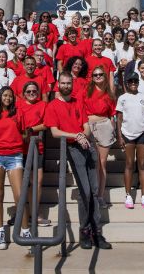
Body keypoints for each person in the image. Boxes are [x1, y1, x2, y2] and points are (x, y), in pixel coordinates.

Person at [45, 71, 112, 250]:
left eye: (69, 83)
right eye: (63, 83)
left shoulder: (78, 102)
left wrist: (83, 135)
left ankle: (97, 232)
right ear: (58, 84)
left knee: (95, 190)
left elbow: (86, 125)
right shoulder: (52, 106)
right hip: (72, 147)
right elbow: (54, 132)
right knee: (85, 191)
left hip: (86, 145)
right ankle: (85, 232)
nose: (66, 86)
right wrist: (76, 136)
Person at [0, 86, 30, 250]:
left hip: (15, 156)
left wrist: (15, 140)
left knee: (20, 195)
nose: (8, 98)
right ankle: (0, 231)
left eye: (10, 96)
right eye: (5, 95)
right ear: (0, 97)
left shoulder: (18, 114)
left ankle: (25, 231)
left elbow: (25, 134)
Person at [116, 72, 144, 209]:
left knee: (143, 164)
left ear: (138, 83)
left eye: (135, 81)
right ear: (127, 83)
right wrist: (119, 136)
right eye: (131, 81)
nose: (133, 84)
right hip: (127, 133)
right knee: (129, 164)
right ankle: (128, 195)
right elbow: (119, 118)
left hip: (143, 133)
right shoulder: (122, 98)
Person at [82, 66, 117, 207]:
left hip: (104, 125)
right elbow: (79, 107)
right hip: (88, 126)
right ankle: (90, 194)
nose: (98, 77)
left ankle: (100, 196)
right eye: (95, 74)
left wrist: (113, 126)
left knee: (102, 163)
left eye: (101, 74)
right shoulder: (86, 91)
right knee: (91, 162)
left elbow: (113, 113)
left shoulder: (109, 94)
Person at [18, 80, 50, 227]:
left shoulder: (43, 105)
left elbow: (46, 123)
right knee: (25, 183)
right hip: (21, 147)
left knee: (38, 181)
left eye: (34, 91)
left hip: (38, 146)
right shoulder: (18, 105)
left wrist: (31, 129)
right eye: (29, 92)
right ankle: (24, 213)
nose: (31, 94)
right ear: (24, 94)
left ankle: (34, 213)